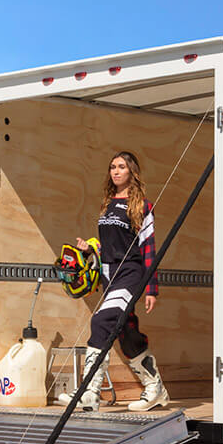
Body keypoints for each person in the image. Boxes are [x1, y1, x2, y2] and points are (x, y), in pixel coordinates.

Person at [56, 150, 169, 412]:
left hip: (130, 275)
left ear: (132, 172)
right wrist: (89, 250)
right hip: (110, 276)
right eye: (112, 167)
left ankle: (88, 392)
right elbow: (108, 245)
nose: (115, 171)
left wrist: (151, 288)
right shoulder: (107, 203)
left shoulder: (142, 206)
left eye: (121, 167)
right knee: (127, 333)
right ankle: (156, 389)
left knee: (101, 321)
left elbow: (148, 248)